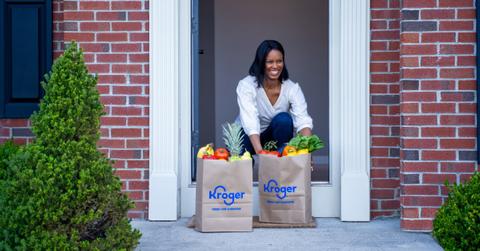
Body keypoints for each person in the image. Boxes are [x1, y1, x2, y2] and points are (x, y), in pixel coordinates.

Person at [235, 40, 313, 155]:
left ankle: (280, 162)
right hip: (247, 137)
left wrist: (307, 152)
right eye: (269, 62)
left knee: (284, 119)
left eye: (279, 61)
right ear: (261, 63)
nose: (275, 66)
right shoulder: (246, 85)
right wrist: (261, 153)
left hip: (272, 138)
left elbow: (303, 121)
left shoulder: (292, 88)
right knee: (244, 169)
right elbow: (250, 122)